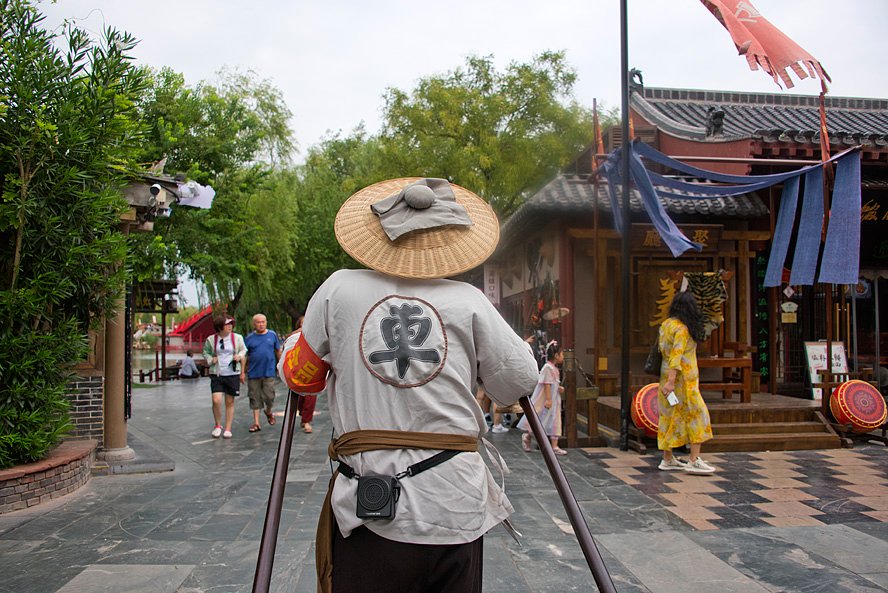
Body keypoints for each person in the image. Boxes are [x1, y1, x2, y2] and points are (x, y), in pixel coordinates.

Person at [278, 177, 539, 593]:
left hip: (369, 502)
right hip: (453, 501)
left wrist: (296, 343)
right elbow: (519, 381)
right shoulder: (469, 299)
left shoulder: (338, 289)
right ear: (446, 238)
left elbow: (301, 378)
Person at [657, 291, 716, 475]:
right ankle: (694, 460)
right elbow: (677, 356)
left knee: (668, 416)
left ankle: (668, 459)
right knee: (697, 415)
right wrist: (672, 382)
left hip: (665, 377)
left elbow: (664, 352)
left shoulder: (666, 324)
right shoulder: (682, 329)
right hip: (684, 382)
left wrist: (668, 382)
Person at [516, 340, 567, 455]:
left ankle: (554, 445)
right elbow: (546, 383)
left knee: (555, 420)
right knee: (541, 420)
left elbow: (552, 383)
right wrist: (548, 399)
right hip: (548, 399)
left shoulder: (554, 368)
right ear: (556, 355)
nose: (563, 356)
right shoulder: (548, 368)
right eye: (562, 354)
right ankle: (528, 436)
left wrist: (558, 388)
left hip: (554, 399)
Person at [203, 315, 247, 439]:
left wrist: (239, 356)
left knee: (229, 401)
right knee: (216, 400)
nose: (229, 326)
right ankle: (218, 425)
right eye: (227, 324)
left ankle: (228, 428)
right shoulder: (211, 339)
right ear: (220, 327)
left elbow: (244, 350)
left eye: (231, 324)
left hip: (232, 373)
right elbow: (205, 352)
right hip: (217, 373)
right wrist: (211, 359)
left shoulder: (237, 338)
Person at [242, 313, 283, 433]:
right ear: (254, 324)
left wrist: (281, 365)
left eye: (263, 322)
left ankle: (268, 411)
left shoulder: (272, 335)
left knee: (270, 396)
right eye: (258, 322)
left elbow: (278, 351)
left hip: (268, 371)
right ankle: (256, 423)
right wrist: (242, 372)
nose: (261, 324)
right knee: (254, 397)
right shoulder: (249, 338)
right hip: (253, 372)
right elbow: (245, 355)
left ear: (266, 322)